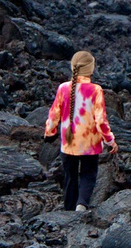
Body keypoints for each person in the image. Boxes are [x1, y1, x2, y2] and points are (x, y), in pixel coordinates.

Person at [44, 50, 117, 213]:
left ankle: (69, 209)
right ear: (91, 69)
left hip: (68, 141)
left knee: (70, 177)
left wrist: (49, 132)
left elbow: (54, 114)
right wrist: (109, 140)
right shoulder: (96, 90)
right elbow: (101, 120)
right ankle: (82, 204)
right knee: (88, 174)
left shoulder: (63, 88)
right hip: (90, 144)